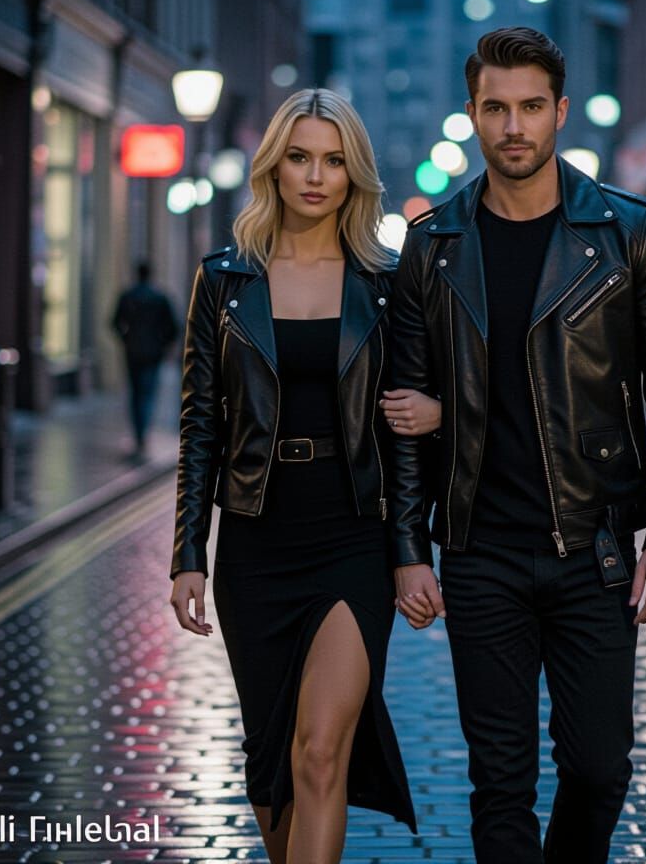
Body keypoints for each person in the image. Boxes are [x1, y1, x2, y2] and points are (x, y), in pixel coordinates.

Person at [390, 27, 646, 863]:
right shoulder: (435, 245)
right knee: (500, 783)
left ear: (560, 112)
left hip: (595, 550)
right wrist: (407, 549)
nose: (514, 127)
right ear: (471, 115)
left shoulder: (628, 233)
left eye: (532, 107)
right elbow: (400, 411)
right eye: (495, 108)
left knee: (601, 769)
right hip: (479, 550)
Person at [169, 88, 441, 864]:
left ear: (354, 174)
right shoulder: (224, 281)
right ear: (274, 168)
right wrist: (189, 551)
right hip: (256, 541)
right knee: (271, 766)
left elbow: (409, 434)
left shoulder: (388, 284)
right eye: (299, 157)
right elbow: (201, 427)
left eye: (333, 160)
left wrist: (408, 549)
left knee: (320, 752)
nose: (316, 176)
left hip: (352, 535)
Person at [112, 261, 179, 457]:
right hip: (153, 353)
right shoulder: (159, 297)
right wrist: (163, 344)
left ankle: (139, 433)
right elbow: (173, 327)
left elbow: (115, 322)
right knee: (147, 392)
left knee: (135, 393)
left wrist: (126, 339)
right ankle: (143, 432)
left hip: (132, 351)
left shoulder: (128, 296)